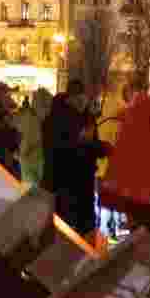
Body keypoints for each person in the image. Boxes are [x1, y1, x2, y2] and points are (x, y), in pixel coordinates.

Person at [43, 81, 112, 238]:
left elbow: (87, 143)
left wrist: (99, 147)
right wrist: (97, 146)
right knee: (67, 229)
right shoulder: (58, 118)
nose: (83, 100)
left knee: (84, 226)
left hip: (82, 181)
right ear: (70, 98)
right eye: (79, 97)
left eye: (84, 97)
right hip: (65, 183)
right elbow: (72, 146)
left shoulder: (83, 117)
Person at [15, 88, 53, 187]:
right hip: (31, 161)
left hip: (34, 161)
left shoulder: (27, 117)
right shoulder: (27, 118)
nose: (48, 109)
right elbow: (19, 138)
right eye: (46, 105)